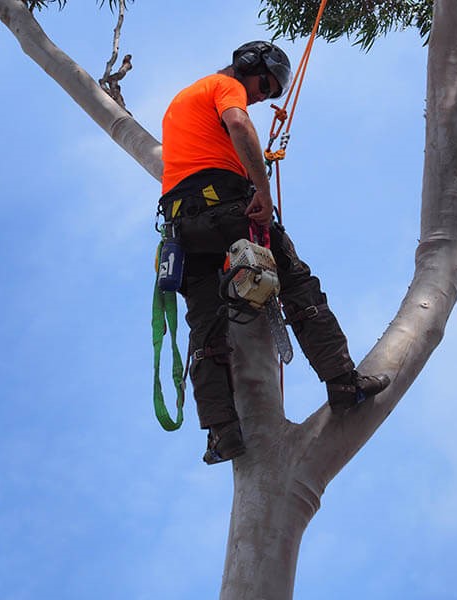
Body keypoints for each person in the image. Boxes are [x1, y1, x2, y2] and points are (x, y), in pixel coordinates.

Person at [158, 41, 390, 465]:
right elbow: (239, 126)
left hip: (182, 227)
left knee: (206, 331)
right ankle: (342, 382)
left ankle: (221, 432)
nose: (263, 96)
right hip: (228, 212)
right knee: (298, 286)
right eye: (265, 84)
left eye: (273, 92)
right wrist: (262, 191)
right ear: (246, 65)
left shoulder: (179, 104)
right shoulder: (222, 87)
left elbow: (207, 152)